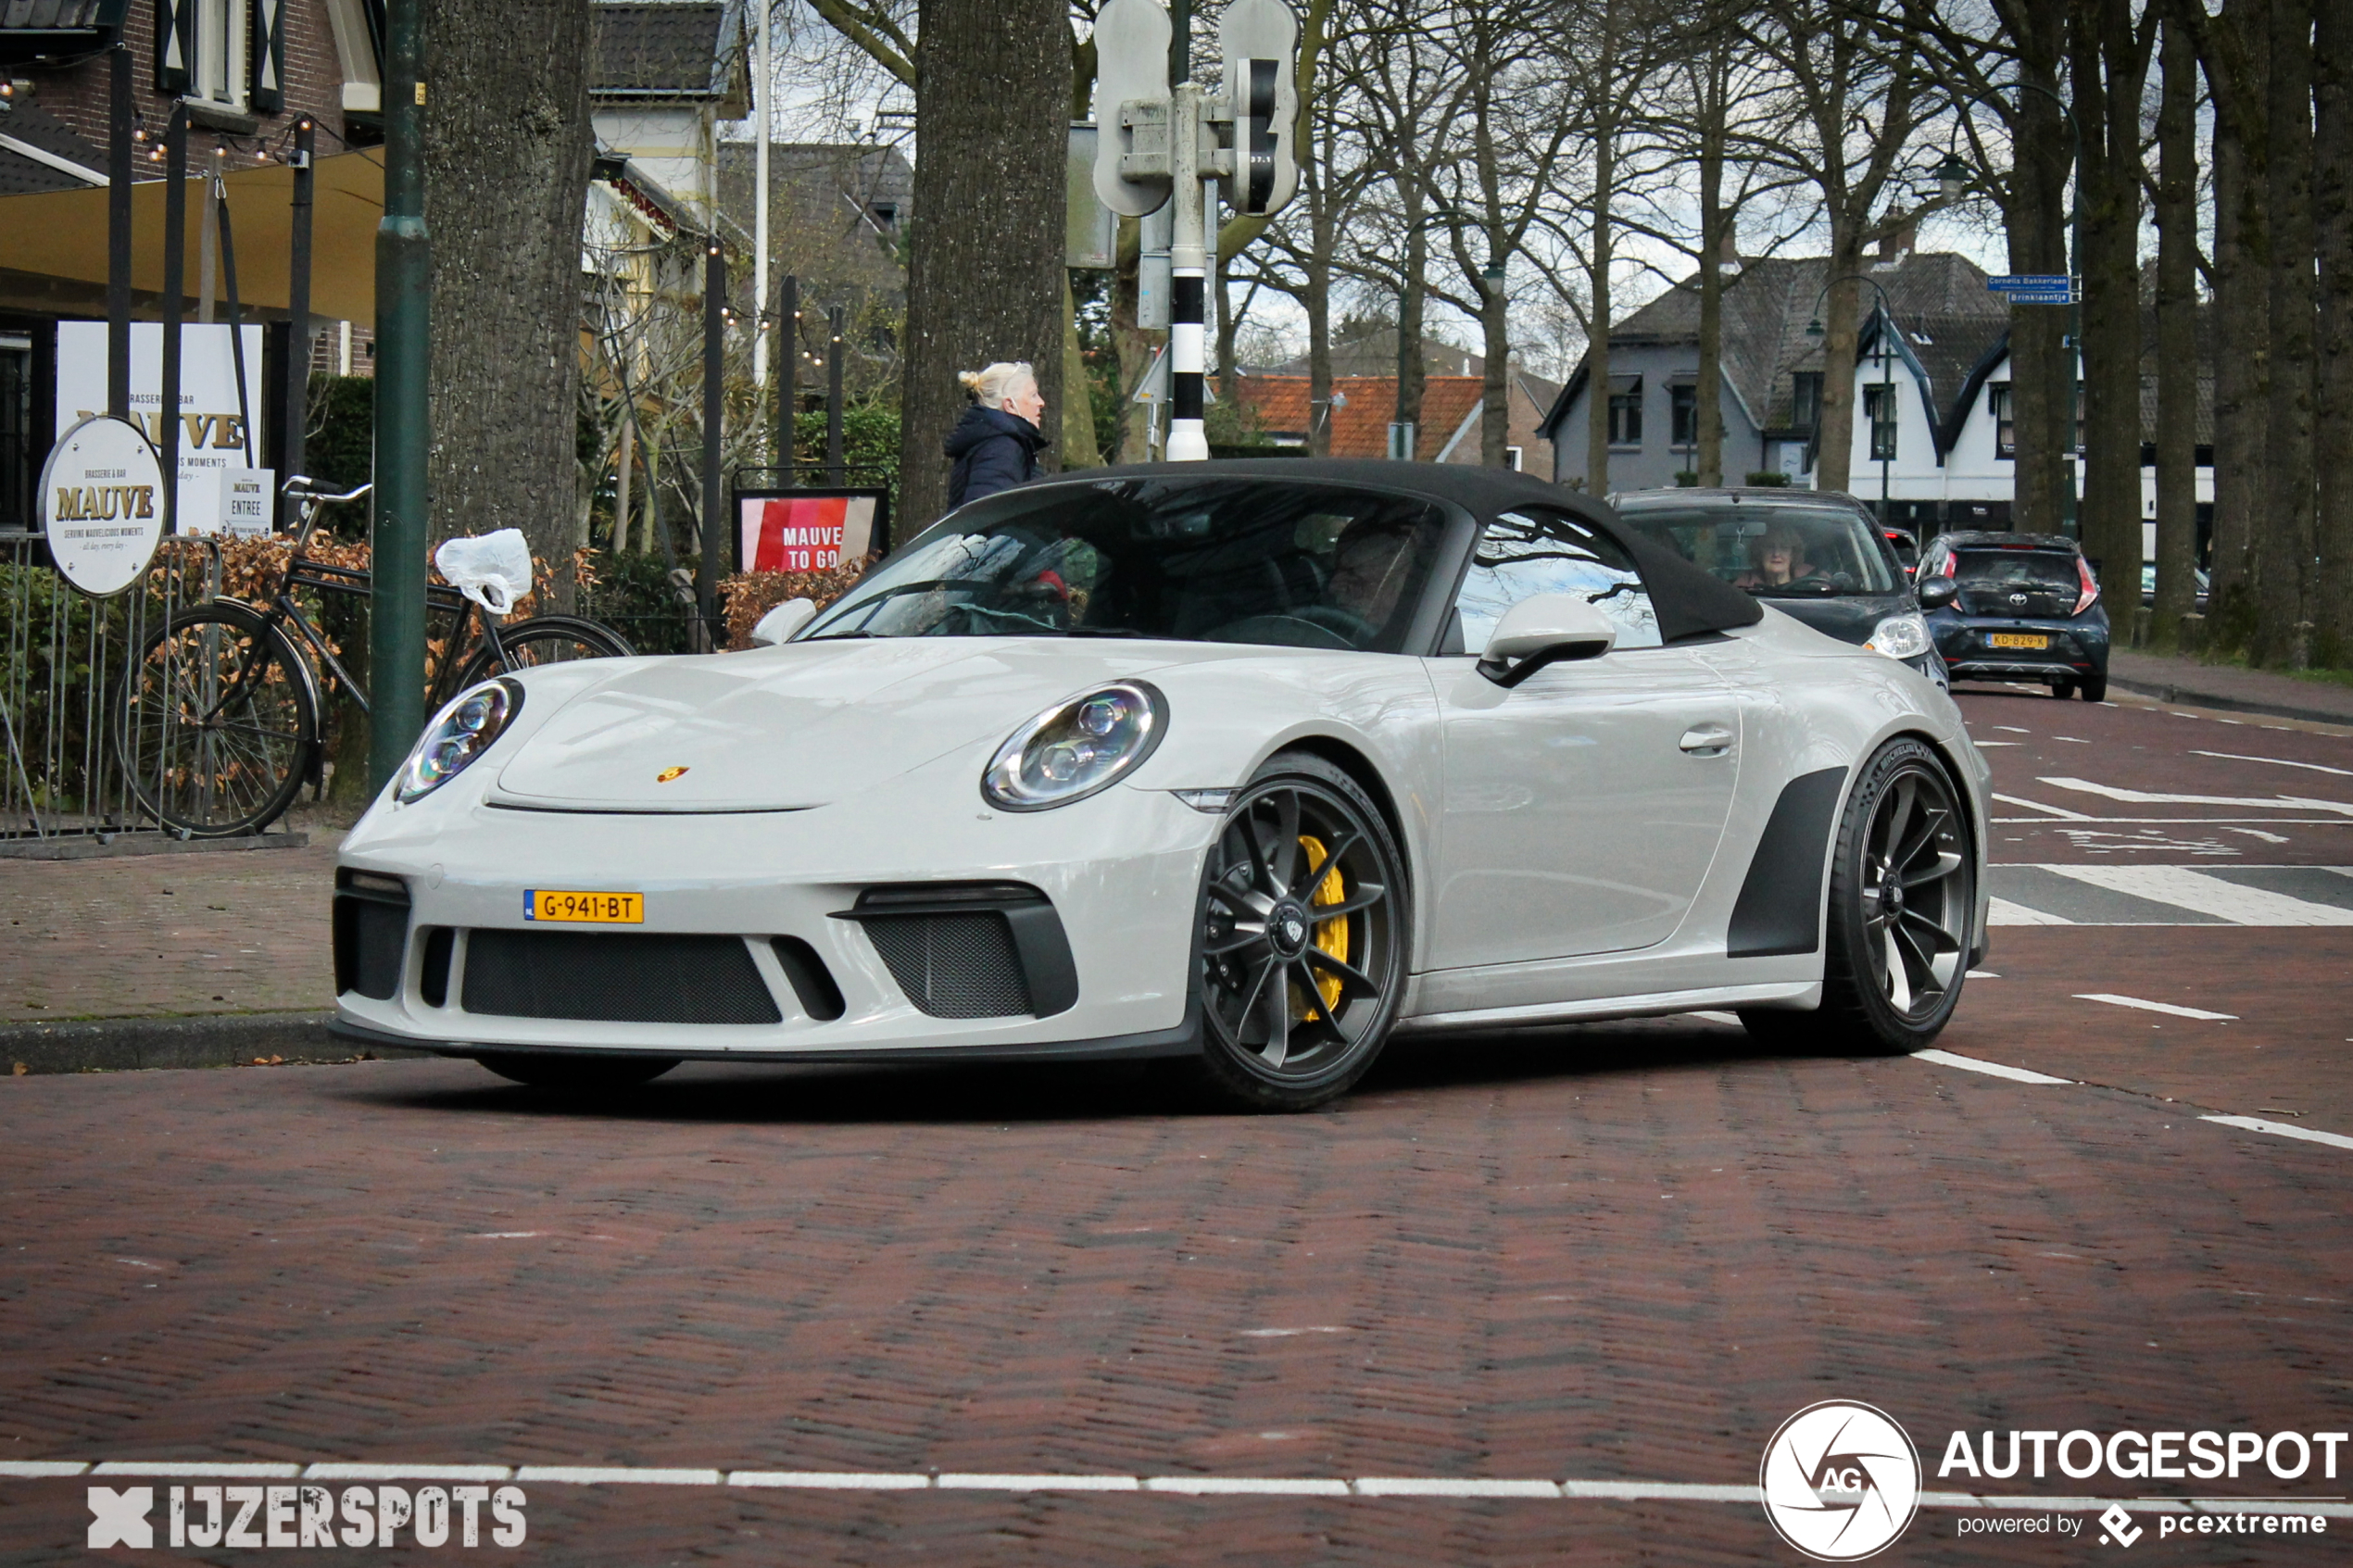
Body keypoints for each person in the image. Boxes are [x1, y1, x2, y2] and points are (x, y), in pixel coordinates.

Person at [945, 362, 1050, 508]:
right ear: (1010, 405)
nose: (1041, 402)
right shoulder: (1002, 447)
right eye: (1033, 395)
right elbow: (987, 515)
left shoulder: (995, 439)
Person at [1734, 523, 1827, 591]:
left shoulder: (1815, 582)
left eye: (1784, 548)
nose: (1776, 554)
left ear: (1793, 554)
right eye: (1770, 547)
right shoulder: (1743, 587)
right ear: (1759, 553)